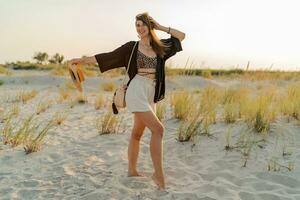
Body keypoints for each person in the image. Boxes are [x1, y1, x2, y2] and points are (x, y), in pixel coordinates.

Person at [68, 12, 185, 190]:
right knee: (159, 130)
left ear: (149, 25)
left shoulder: (160, 47)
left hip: (150, 93)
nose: (140, 28)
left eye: (143, 24)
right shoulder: (131, 47)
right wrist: (82, 61)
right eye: (137, 25)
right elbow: (106, 57)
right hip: (136, 90)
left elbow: (181, 36)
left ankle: (131, 170)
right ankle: (158, 175)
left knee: (137, 134)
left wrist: (160, 27)